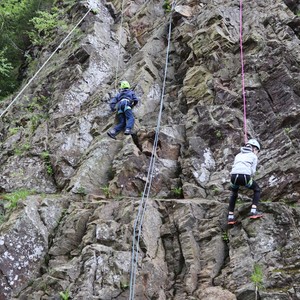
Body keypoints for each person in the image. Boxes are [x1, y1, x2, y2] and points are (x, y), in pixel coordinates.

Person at [227, 139, 262, 225]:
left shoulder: (238, 155)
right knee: (257, 189)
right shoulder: (254, 156)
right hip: (245, 177)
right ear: (254, 148)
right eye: (257, 150)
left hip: (233, 177)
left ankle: (230, 216)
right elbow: (252, 171)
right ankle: (253, 211)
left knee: (234, 193)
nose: (257, 152)